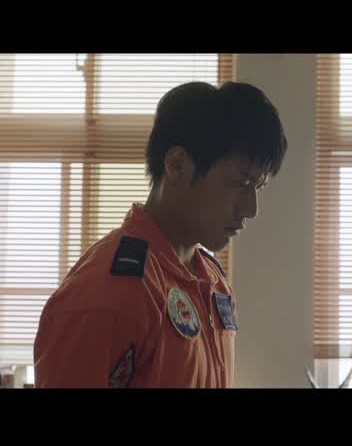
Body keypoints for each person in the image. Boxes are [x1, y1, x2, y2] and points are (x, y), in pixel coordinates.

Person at [33, 81, 288, 388]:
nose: (251, 209)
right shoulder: (111, 289)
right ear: (177, 165)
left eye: (258, 187)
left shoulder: (213, 283)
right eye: (240, 183)